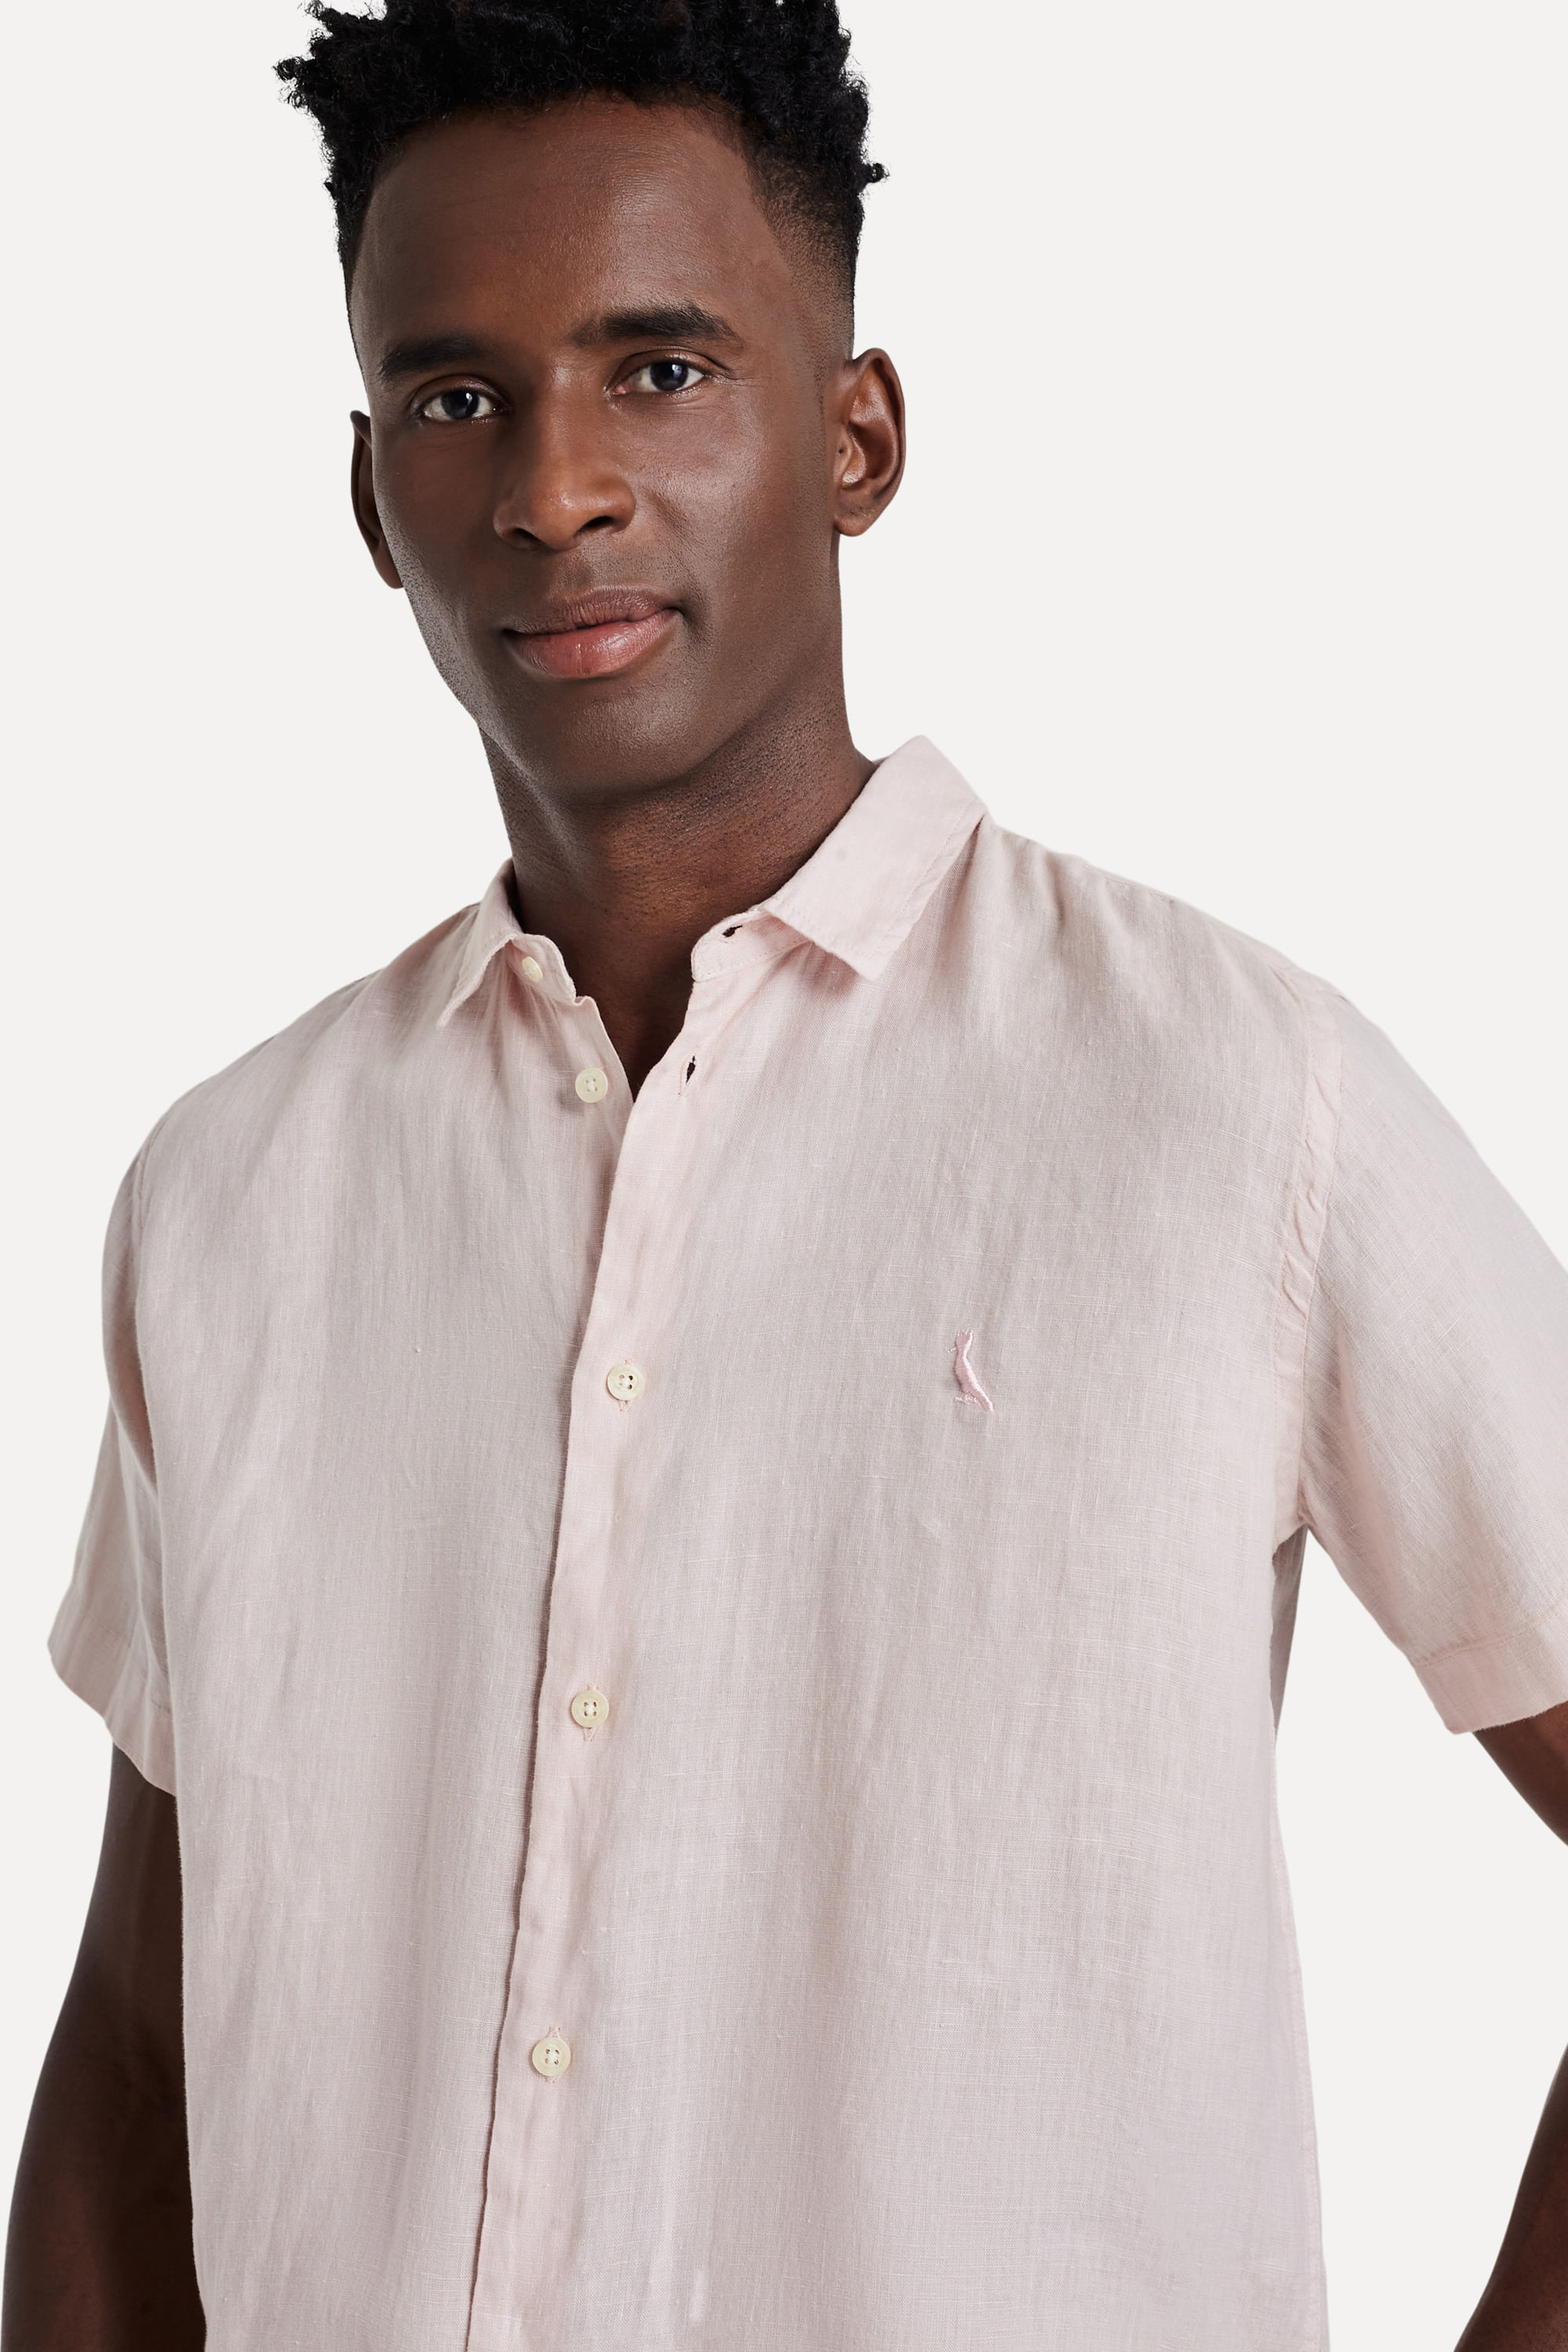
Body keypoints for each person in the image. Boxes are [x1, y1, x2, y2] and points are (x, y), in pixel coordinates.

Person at [5, 1, 1568, 2345]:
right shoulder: (231, 1193)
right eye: (457, 399)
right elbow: (143, 2055)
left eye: (659, 371)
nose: (554, 491)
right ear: (365, 496)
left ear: (858, 438)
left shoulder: (1232, 1098)